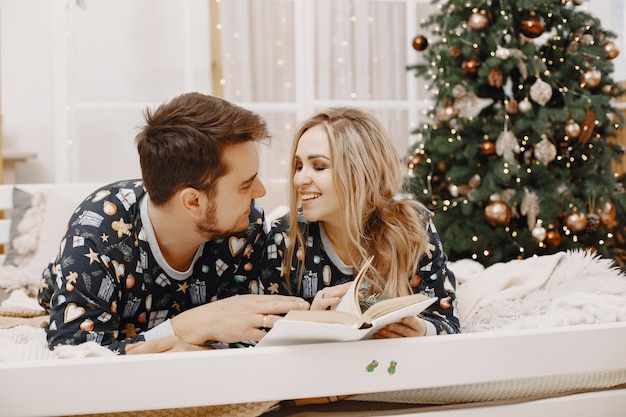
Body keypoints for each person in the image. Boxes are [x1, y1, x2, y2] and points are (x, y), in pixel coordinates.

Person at [37, 92, 309, 354]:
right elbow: (74, 354)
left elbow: (258, 326)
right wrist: (186, 327)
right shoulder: (96, 239)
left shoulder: (246, 225)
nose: (260, 191)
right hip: (74, 274)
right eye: (245, 185)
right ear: (193, 202)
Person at [260, 107, 460, 337]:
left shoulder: (413, 226)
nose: (300, 179)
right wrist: (310, 325)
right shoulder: (284, 236)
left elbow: (449, 323)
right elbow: (265, 339)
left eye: (319, 166)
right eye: (298, 166)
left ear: (360, 171)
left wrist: (422, 330)